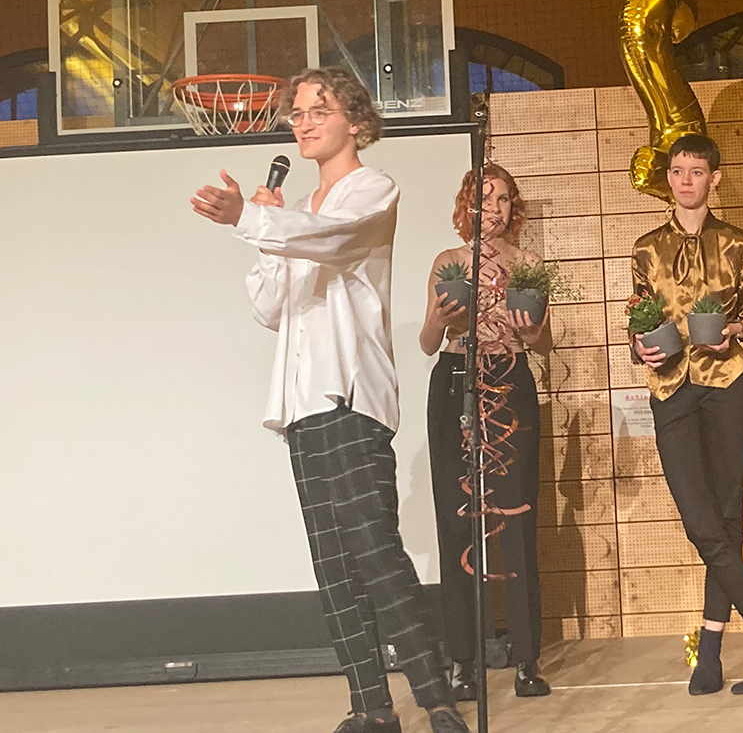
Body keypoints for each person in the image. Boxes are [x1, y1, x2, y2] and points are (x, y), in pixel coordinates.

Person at [191, 66, 470, 733]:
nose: (304, 122)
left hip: (350, 393)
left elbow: (335, 240)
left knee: (375, 551)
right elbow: (270, 306)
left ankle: (436, 700)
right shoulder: (293, 216)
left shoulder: (371, 189)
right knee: (334, 565)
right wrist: (266, 233)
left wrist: (255, 218)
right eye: (297, 112)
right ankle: (371, 707)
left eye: (320, 109)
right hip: (300, 403)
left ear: (356, 122)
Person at [631, 133, 743, 696]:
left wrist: (737, 329)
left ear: (714, 178)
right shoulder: (645, 249)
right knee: (701, 521)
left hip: (728, 385)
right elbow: (639, 318)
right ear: (669, 179)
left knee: (726, 519)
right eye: (678, 171)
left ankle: (710, 656)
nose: (686, 180)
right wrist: (638, 347)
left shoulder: (738, 242)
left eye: (697, 171)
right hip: (671, 387)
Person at [419, 164, 552, 700]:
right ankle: (462, 659)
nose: (492, 208)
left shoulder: (529, 265)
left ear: (512, 207)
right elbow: (428, 341)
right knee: (457, 518)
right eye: (482, 198)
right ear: (466, 207)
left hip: (510, 378)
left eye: (501, 199)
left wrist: (531, 330)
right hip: (456, 380)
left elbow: (544, 344)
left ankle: (526, 657)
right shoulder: (448, 262)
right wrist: (441, 317)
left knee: (516, 514)